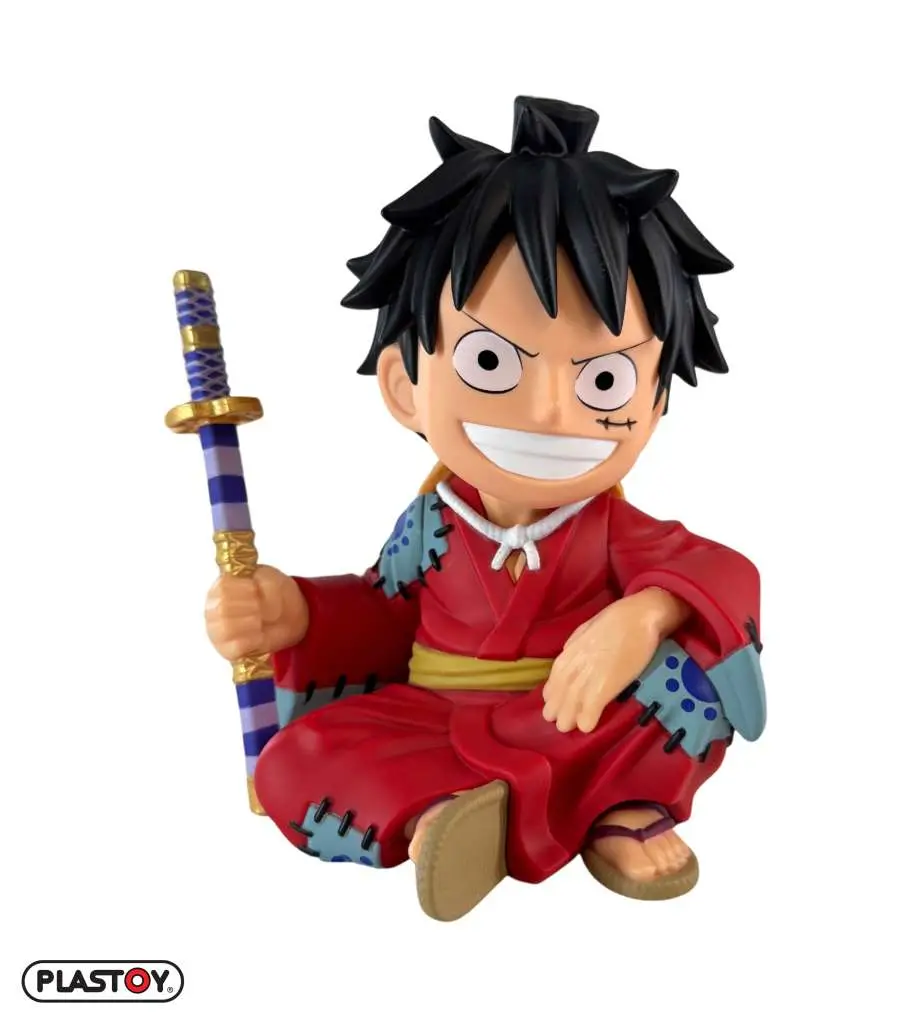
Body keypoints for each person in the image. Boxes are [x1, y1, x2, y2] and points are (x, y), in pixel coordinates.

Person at [205, 96, 766, 921]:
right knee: (294, 763)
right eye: (493, 363)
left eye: (602, 379)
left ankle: (589, 806)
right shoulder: (431, 526)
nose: (550, 412)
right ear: (405, 385)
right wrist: (295, 612)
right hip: (434, 720)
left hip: (573, 723)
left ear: (654, 402)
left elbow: (722, 574)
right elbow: (382, 611)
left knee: (685, 681)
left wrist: (646, 614)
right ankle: (451, 817)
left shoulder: (612, 532)